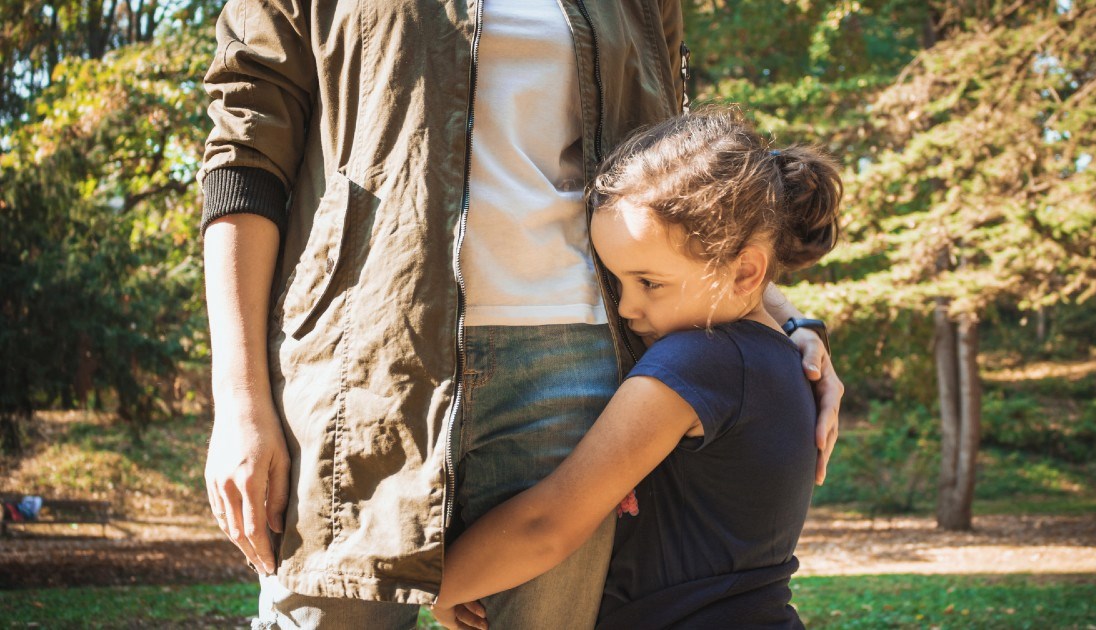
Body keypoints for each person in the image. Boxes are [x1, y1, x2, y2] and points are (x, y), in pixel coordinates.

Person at [198, 1, 844, 627]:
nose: (635, 298)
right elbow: (245, 155)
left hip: (583, 366)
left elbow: (685, 190)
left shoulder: (688, 358)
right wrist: (238, 400)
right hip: (363, 364)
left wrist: (777, 318)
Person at [431, 106, 840, 629]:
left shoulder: (698, 360)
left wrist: (442, 585)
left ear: (745, 272)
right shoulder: (779, 357)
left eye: (650, 283)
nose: (625, 308)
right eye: (617, 282)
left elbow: (547, 524)